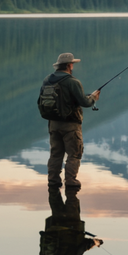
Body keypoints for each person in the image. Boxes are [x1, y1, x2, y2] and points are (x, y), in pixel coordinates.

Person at [43, 52, 100, 190]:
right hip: (70, 125)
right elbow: (84, 103)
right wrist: (93, 98)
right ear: (69, 65)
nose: (73, 66)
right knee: (74, 153)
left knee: (56, 153)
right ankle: (70, 181)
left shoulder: (48, 80)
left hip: (53, 123)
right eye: (72, 64)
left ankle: (53, 180)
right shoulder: (73, 82)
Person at [39, 186, 102, 255]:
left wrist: (95, 242)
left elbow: (82, 246)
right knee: (54, 194)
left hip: (72, 225)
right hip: (55, 223)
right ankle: (53, 174)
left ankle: (71, 176)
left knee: (71, 196)